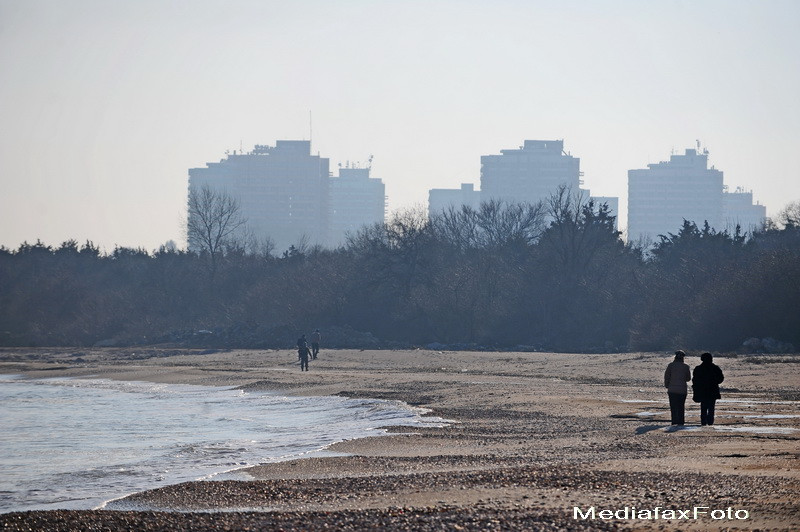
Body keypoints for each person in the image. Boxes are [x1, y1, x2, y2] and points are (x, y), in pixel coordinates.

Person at [692, 352, 724, 426]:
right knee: (711, 408)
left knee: (703, 407)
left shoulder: (698, 368)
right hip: (713, 391)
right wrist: (715, 382)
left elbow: (695, 380)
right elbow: (721, 379)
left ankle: (703, 422)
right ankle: (710, 422)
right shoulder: (715, 368)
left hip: (702, 391)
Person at [664, 350, 691, 425]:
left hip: (672, 389)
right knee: (681, 406)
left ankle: (674, 421)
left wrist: (667, 385)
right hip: (682, 390)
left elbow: (667, 376)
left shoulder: (671, 365)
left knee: (673, 407)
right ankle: (681, 422)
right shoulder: (686, 366)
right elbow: (688, 378)